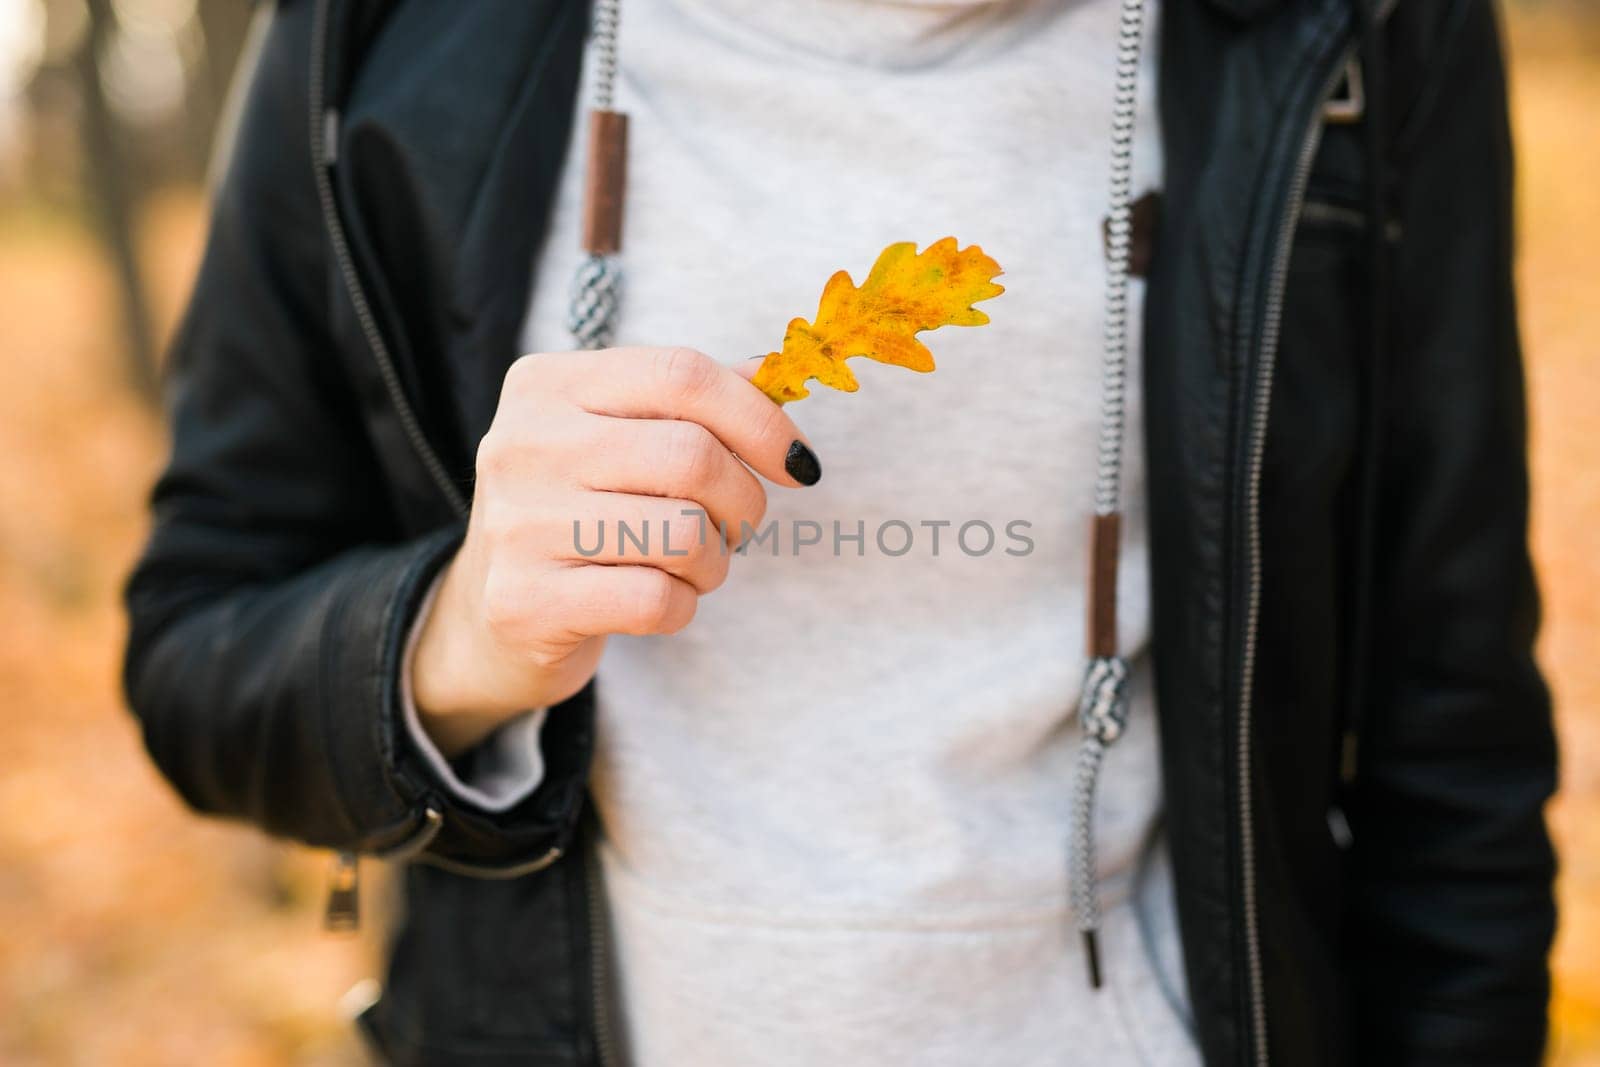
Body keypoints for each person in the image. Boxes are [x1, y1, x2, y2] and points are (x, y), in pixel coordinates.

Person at [121, 0, 1557, 1063]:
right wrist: (459, 637)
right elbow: (201, 643)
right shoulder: (381, 31)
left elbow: (1454, 743)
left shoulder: (1358, 30)